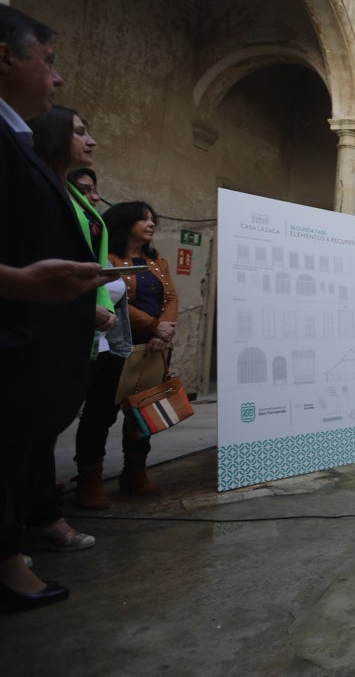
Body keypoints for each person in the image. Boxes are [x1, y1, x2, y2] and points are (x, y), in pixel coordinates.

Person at [0, 4, 104, 610]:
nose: (57, 77)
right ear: (6, 57)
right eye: (48, 60)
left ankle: (19, 541)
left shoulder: (23, 151)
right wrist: (20, 282)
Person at [20, 107, 115, 550]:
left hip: (76, 323)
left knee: (48, 425)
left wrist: (98, 305)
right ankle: (35, 519)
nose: (90, 141)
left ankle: (39, 512)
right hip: (41, 322)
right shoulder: (35, 184)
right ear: (55, 136)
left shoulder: (77, 196)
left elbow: (89, 261)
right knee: (30, 426)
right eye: (80, 132)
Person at [103, 200, 178, 497]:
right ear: (124, 224)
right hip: (116, 345)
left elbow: (171, 298)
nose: (151, 224)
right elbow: (115, 302)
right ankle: (90, 479)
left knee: (142, 415)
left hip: (153, 347)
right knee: (101, 413)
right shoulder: (107, 259)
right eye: (143, 219)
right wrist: (152, 325)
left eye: (152, 219)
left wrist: (164, 331)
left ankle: (135, 473)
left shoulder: (157, 264)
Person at [70, 168, 134, 510]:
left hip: (111, 346)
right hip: (73, 342)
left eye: (94, 191)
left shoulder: (103, 247)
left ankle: (91, 478)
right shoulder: (73, 239)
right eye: (85, 191)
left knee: (100, 415)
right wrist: (88, 311)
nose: (94, 198)